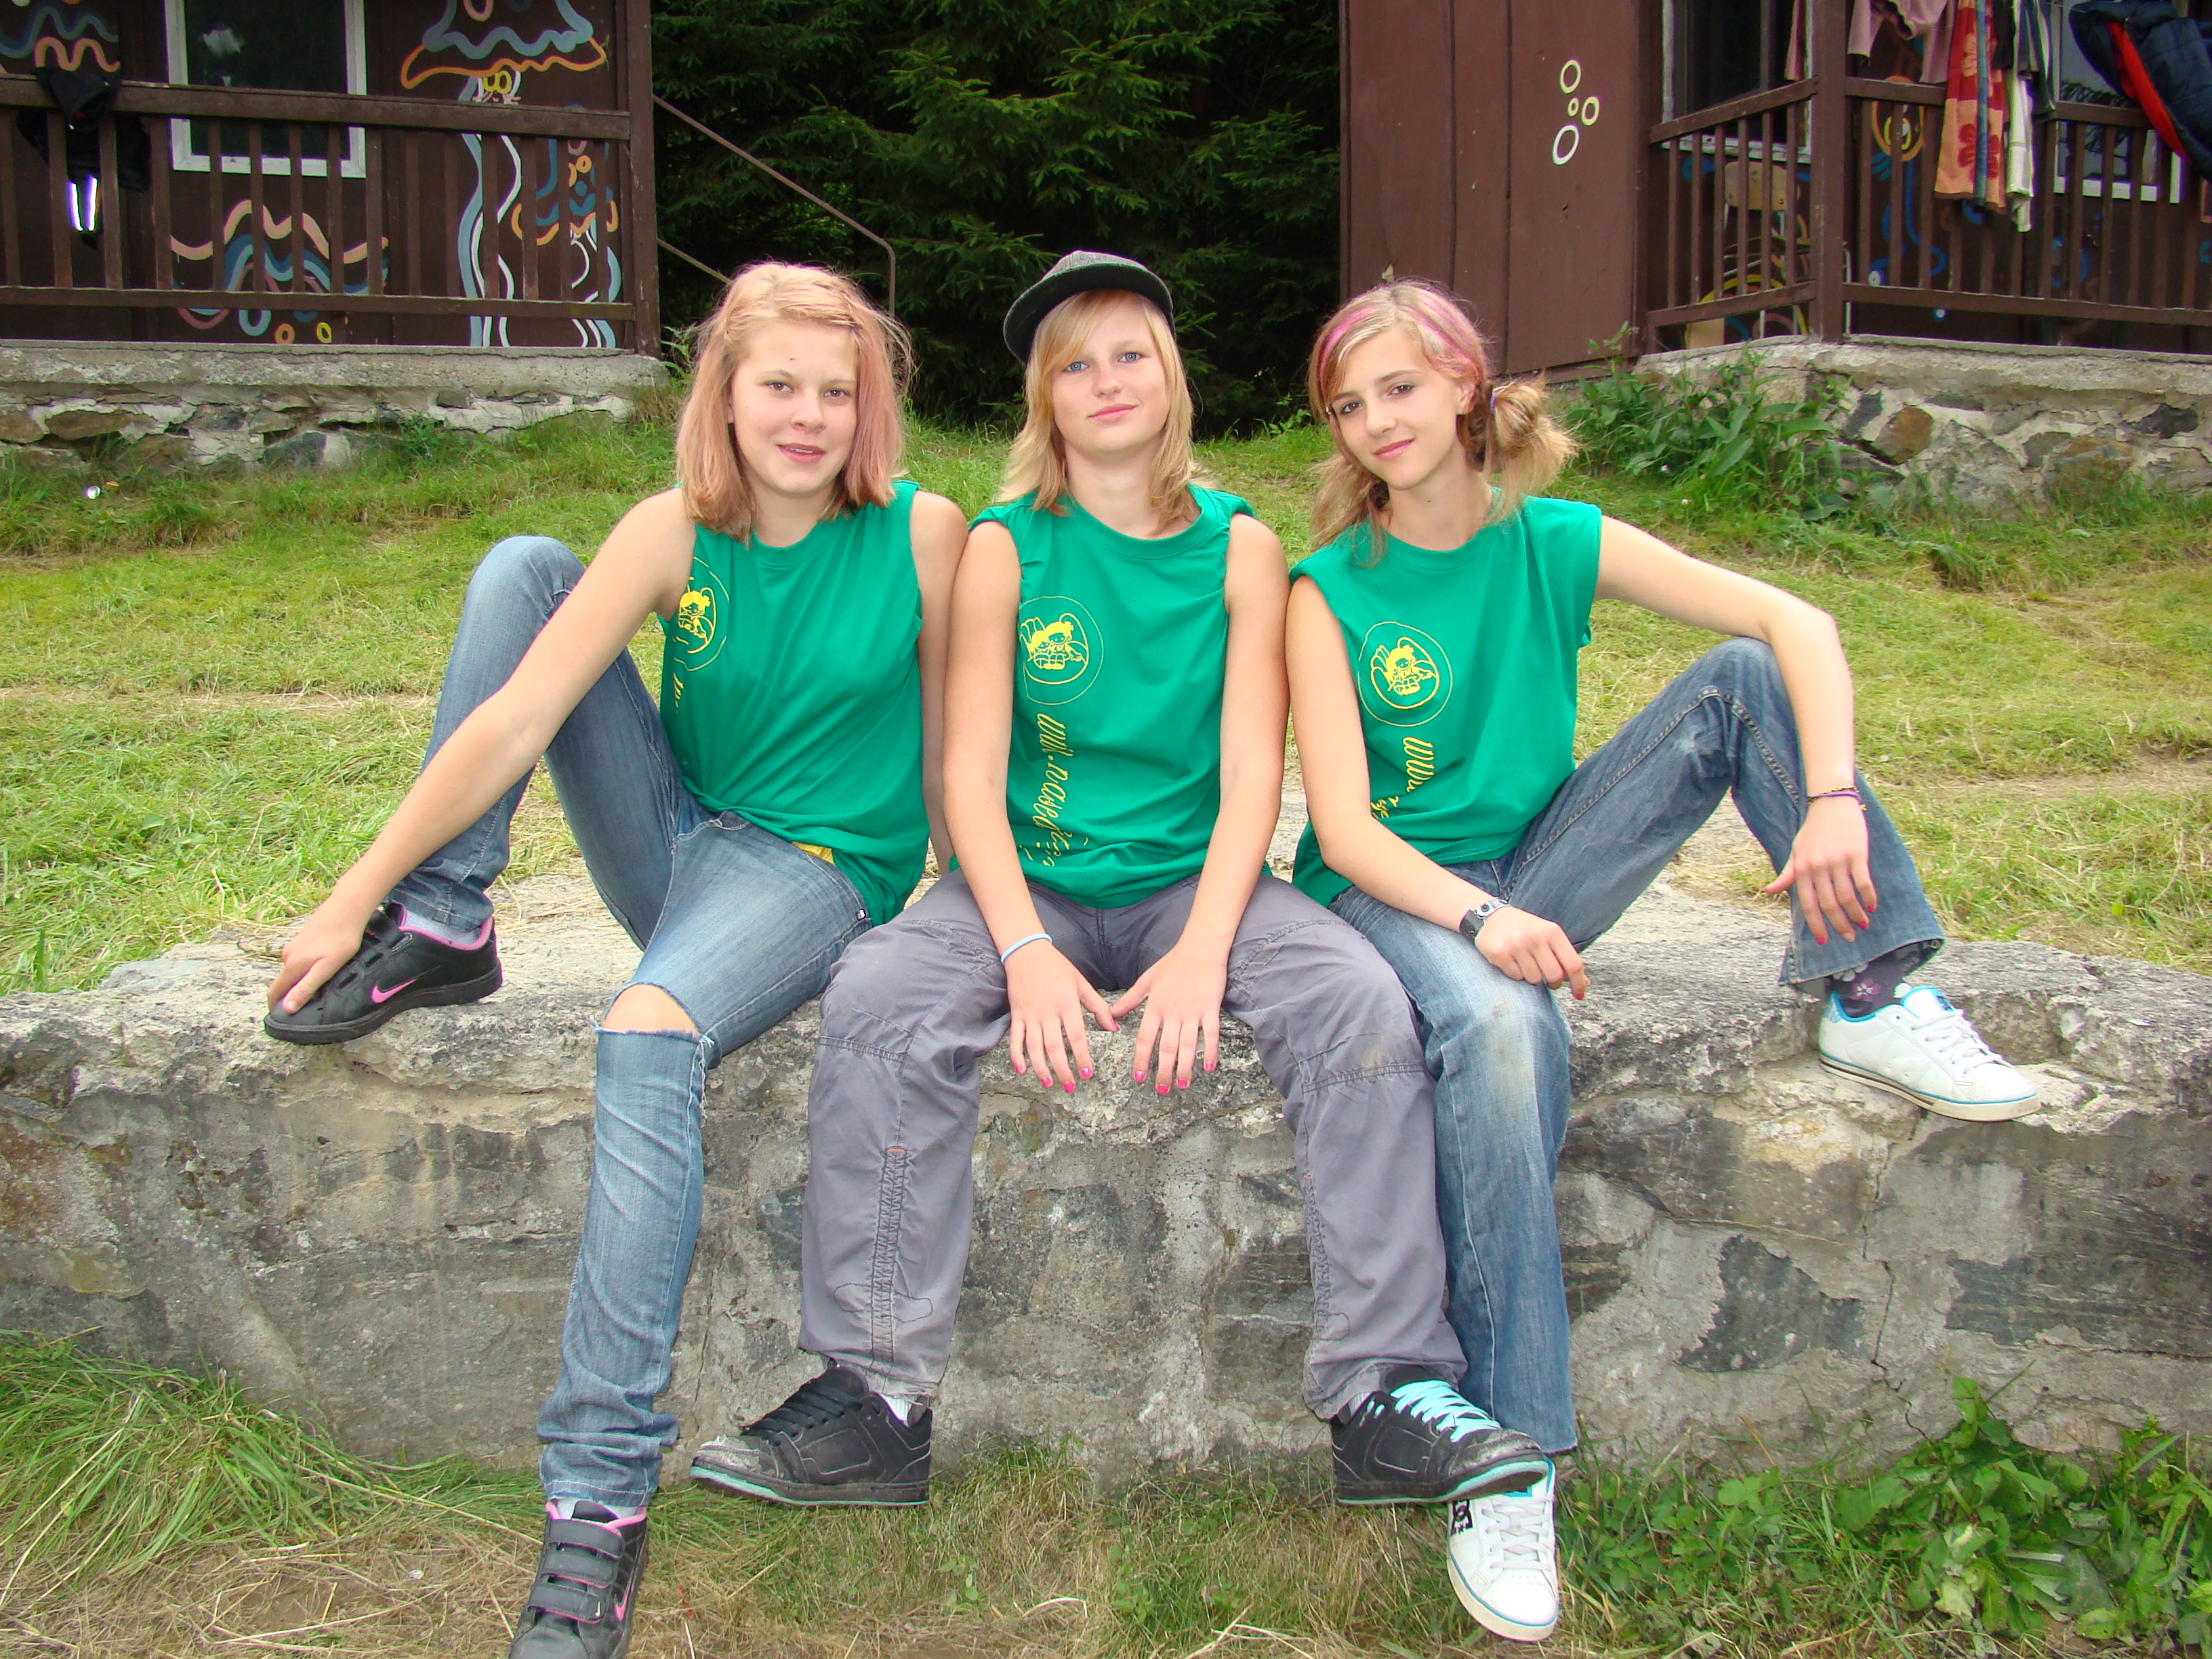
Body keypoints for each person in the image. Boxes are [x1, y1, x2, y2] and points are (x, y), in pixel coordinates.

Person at [688, 250, 1553, 1519]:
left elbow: (1253, 778)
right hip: (1024, 884)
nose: (1107, 382)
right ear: (1044, 396)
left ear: (1172, 378)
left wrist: (1204, 952)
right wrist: (1024, 950)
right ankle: (874, 1398)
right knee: (878, 993)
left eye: (1131, 355)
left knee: (1356, 1002)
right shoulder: (1003, 548)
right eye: (1076, 364)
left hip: (1194, 886)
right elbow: (967, 778)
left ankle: (1385, 1391)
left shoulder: (1241, 548)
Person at [1286, 278, 2039, 1642]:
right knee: (1505, 1032)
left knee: (1743, 680)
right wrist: (1480, 925)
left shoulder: (1556, 539)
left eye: (1401, 387)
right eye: (1350, 404)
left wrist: (1828, 799)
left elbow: (1800, 627)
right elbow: (1343, 830)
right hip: (1396, 895)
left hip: (1538, 865)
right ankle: (1511, 1459)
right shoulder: (1326, 588)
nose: (1378, 421)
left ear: (1464, 386)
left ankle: (1869, 985)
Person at [261, 262, 965, 1659]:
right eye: (778, 385)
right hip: (676, 844)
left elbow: (959, 755)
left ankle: (597, 1496)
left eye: (836, 392)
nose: (807, 416)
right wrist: (356, 893)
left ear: (869, 409)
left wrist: (995, 925)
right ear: (725, 395)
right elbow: (518, 721)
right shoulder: (673, 530)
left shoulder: (925, 533)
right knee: (525, 571)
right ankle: (446, 918)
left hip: (819, 872)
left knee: (645, 1033)